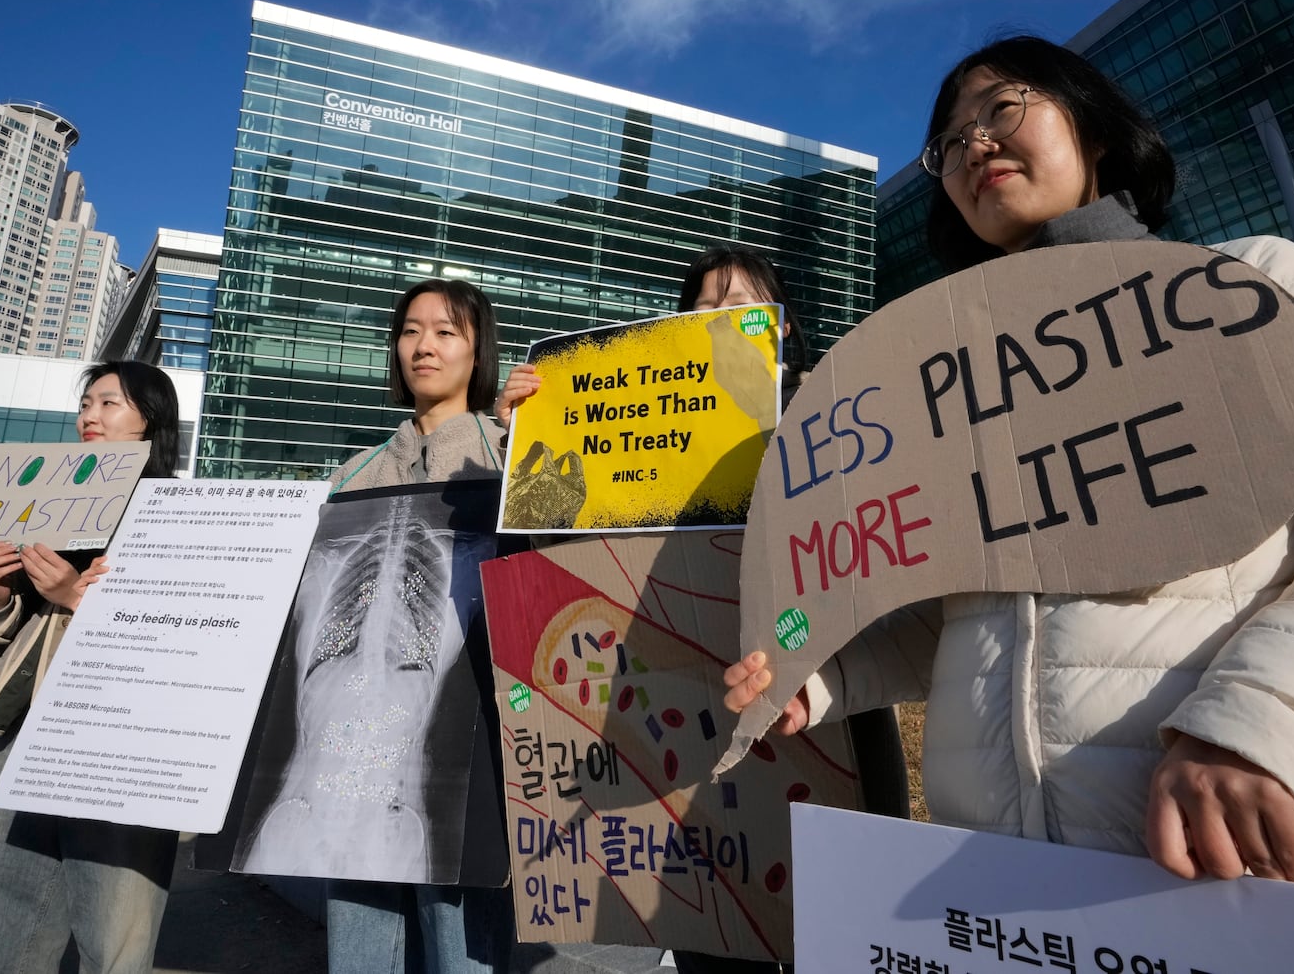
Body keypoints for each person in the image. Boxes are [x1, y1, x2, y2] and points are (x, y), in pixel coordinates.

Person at [724, 35, 1294, 908]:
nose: (973, 144)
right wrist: (821, 676)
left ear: (1092, 125)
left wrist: (1255, 734)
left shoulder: (1257, 290)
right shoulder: (953, 393)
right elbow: (959, 612)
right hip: (1006, 900)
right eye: (948, 142)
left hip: (1274, 883)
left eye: (1001, 108)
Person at [500, 246, 911, 971]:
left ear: (781, 327)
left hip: (827, 704)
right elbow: (566, 554)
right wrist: (530, 439)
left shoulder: (838, 411)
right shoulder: (643, 427)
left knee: (847, 934)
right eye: (701, 309)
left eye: (739, 304)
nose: (718, 318)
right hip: (699, 717)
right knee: (719, 940)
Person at [0, 361, 183, 973]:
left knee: (115, 920)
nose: (89, 417)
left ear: (148, 420)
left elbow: (185, 631)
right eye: (86, 404)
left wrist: (79, 597)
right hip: (20, 730)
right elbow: (4, 632)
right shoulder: (49, 496)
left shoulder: (179, 513)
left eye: (109, 404)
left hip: (121, 739)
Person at [322, 277, 513, 973]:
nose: (422, 344)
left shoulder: (510, 456)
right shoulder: (356, 472)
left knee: (460, 946)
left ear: (478, 348)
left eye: (445, 330)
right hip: (353, 747)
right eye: (409, 329)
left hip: (471, 744)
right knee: (359, 944)